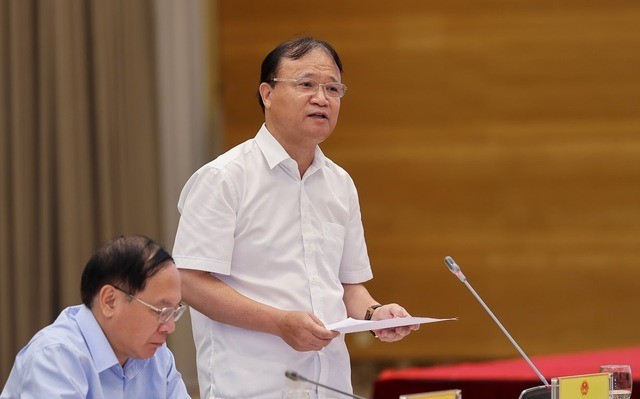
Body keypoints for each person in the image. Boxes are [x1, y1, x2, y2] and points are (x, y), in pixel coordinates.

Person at [173, 37, 418, 399]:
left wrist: (375, 314)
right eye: (306, 84)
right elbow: (189, 281)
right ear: (267, 94)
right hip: (253, 386)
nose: (322, 98)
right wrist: (279, 323)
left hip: (330, 386)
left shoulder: (339, 183)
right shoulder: (224, 178)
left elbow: (349, 287)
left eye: (333, 88)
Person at [1, 235, 191, 399]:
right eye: (162, 312)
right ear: (110, 301)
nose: (169, 327)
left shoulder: (158, 357)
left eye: (174, 312)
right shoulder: (55, 356)